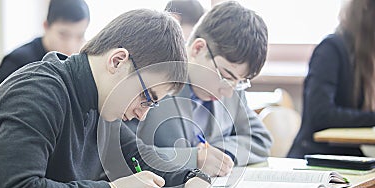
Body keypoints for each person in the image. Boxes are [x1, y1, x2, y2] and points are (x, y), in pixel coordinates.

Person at [0, 8, 244, 188]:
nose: (141, 114)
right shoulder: (39, 92)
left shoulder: (100, 104)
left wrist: (191, 179)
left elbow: (141, 158)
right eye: (146, 98)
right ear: (117, 61)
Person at [126, 1, 272, 177]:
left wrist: (220, 155)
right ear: (198, 48)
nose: (228, 92)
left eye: (240, 82)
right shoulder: (153, 76)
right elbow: (124, 151)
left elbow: (259, 138)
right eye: (225, 76)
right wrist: (194, 159)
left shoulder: (232, 86)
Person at [288, 0, 375, 158]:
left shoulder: (365, 59)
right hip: (315, 156)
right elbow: (321, 114)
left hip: (344, 154)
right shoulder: (331, 49)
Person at [0, 0, 90, 96]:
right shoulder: (17, 61)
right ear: (46, 26)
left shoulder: (79, 65)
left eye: (80, 36)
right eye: (63, 35)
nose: (70, 46)